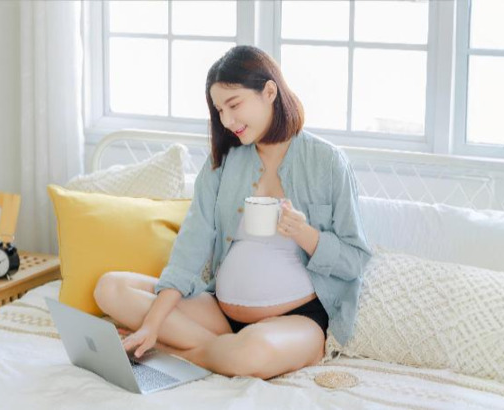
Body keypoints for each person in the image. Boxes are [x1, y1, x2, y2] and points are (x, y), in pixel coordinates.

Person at [93, 45, 372, 379]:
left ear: (270, 91)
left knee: (251, 352)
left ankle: (172, 350)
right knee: (109, 288)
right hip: (220, 314)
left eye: (234, 104)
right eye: (219, 109)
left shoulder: (327, 163)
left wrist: (306, 234)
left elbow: (355, 259)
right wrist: (152, 323)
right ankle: (209, 347)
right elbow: (189, 250)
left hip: (298, 319)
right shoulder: (223, 164)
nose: (226, 120)